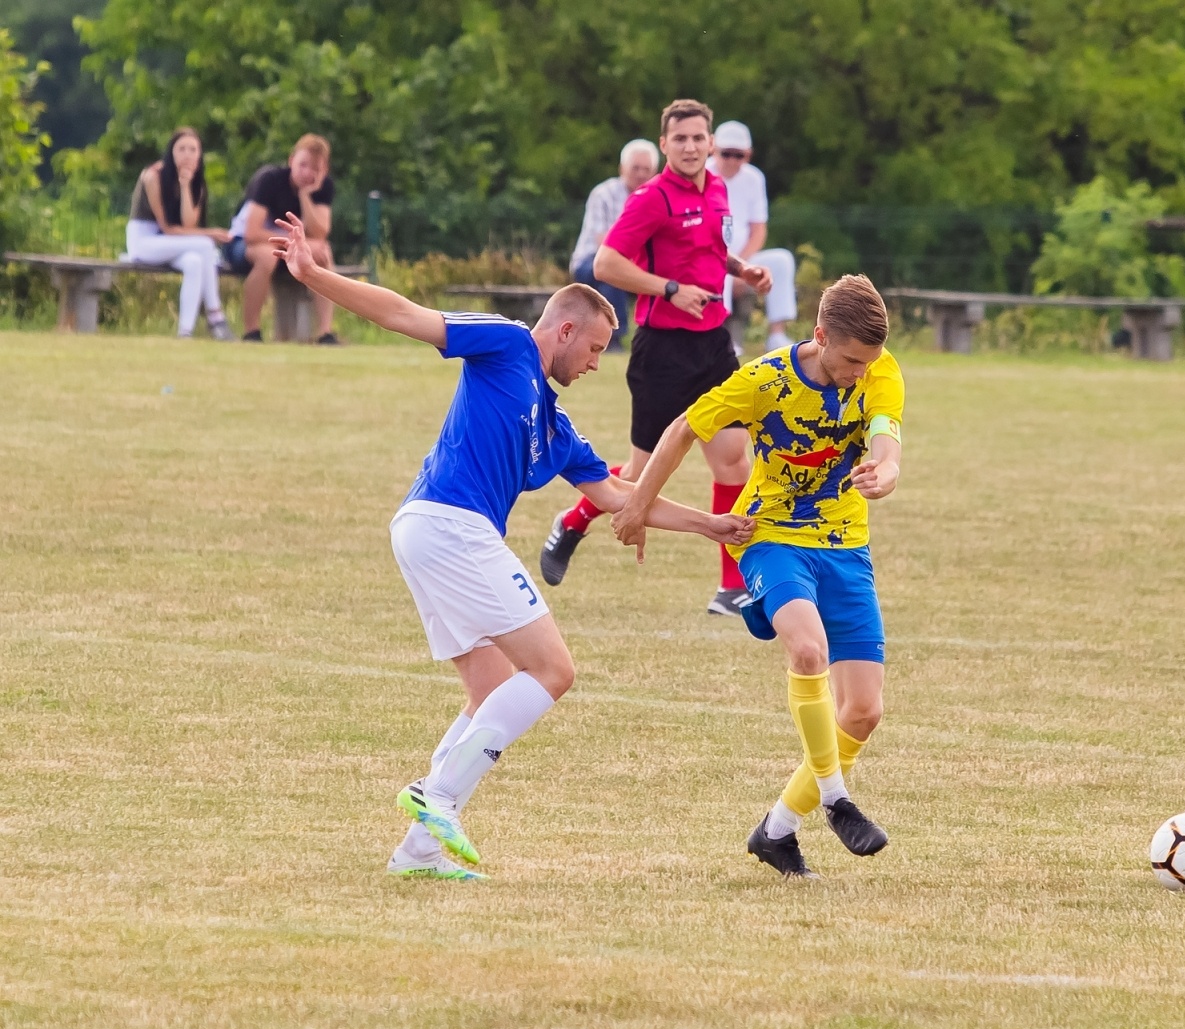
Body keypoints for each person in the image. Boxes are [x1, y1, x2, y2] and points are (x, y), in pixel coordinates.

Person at [268, 211, 754, 880]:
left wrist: (712, 525)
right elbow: (405, 314)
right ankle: (436, 796)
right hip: (447, 523)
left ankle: (418, 849)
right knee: (553, 670)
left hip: (436, 533)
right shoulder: (505, 345)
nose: (593, 365)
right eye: (591, 351)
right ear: (563, 330)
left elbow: (619, 495)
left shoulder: (555, 423)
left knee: (492, 683)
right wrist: (316, 273)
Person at [612, 275, 904, 878]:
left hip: (845, 543)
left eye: (867, 363)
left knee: (864, 712)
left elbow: (885, 435)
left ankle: (776, 832)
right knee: (807, 648)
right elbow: (682, 429)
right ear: (820, 336)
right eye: (850, 361)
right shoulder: (764, 380)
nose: (859, 373)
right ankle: (836, 799)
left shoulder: (878, 369)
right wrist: (639, 502)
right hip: (768, 535)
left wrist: (887, 470)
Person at [541, 99, 773, 618]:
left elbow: (710, 250)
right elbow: (605, 262)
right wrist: (669, 289)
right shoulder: (651, 199)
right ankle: (574, 521)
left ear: (710, 143)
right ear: (665, 144)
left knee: (734, 459)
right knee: (643, 471)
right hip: (662, 349)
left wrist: (742, 271)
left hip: (714, 343)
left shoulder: (718, 189)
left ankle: (730, 588)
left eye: (699, 138)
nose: (691, 146)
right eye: (680, 139)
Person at [225, 134, 339, 344]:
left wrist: (306, 196)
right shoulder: (269, 179)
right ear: (291, 160)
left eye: (315, 168)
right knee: (268, 256)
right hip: (241, 244)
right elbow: (252, 233)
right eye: (303, 165)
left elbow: (320, 233)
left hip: (284, 247)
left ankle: (325, 333)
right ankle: (252, 332)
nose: (307, 173)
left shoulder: (323, 188)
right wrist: (291, 239)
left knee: (323, 252)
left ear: (324, 170)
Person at [124, 127, 235, 340]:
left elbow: (188, 225)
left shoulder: (197, 183)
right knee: (205, 245)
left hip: (171, 242)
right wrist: (210, 233)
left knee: (194, 261)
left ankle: (185, 332)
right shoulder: (153, 176)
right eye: (181, 149)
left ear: (200, 154)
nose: (187, 155)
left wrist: (185, 186)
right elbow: (167, 228)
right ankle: (215, 315)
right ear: (171, 152)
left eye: (193, 150)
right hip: (145, 241)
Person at [712, 121, 798, 353]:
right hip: (711, 253)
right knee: (718, 270)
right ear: (713, 149)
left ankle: (777, 334)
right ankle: (721, 336)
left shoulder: (754, 178)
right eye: (726, 153)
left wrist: (741, 265)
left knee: (782, 260)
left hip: (744, 254)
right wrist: (734, 267)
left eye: (737, 155)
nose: (731, 160)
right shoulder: (703, 174)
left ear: (748, 155)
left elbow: (758, 229)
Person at [571, 139, 660, 351]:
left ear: (655, 171)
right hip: (591, 260)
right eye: (635, 168)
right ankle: (614, 340)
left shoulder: (657, 199)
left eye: (646, 169)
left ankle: (655, 340)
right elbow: (602, 241)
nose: (640, 174)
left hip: (635, 263)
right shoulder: (603, 194)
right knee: (613, 275)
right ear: (622, 168)